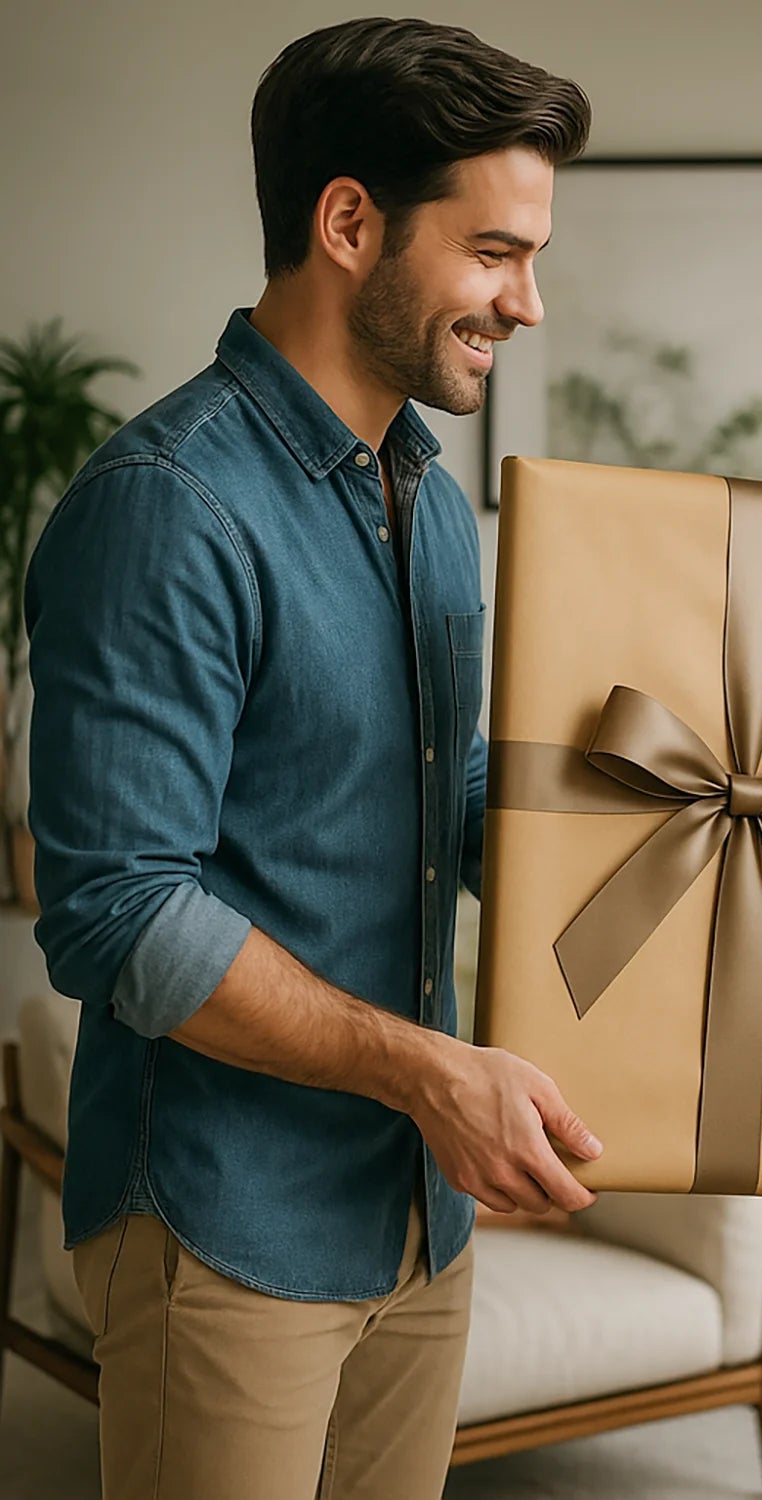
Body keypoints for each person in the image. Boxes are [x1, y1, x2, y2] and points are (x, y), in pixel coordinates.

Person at [25, 19, 599, 1500]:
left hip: (415, 1215)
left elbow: (438, 793)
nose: (529, 301)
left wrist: (668, 836)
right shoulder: (166, 506)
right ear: (350, 222)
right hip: (228, 1224)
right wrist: (429, 1075)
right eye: (494, 252)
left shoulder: (433, 497)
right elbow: (119, 911)